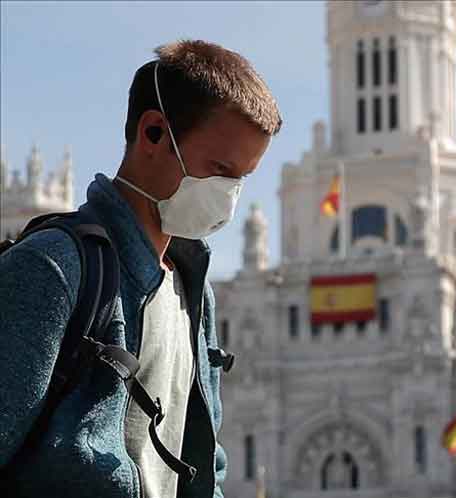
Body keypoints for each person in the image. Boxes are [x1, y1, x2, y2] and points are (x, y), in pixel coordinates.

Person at [0, 39, 282, 498]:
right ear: (153, 132)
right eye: (219, 170)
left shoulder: (194, 292)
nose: (228, 196)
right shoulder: (54, 268)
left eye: (241, 179)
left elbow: (204, 463)